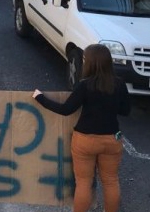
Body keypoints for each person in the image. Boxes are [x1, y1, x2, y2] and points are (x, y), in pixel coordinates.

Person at [33, 44, 131, 212]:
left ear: (91, 63)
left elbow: (65, 110)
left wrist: (40, 98)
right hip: (111, 139)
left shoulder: (85, 85)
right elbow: (125, 111)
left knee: (84, 182)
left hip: (85, 140)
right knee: (110, 181)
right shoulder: (119, 84)